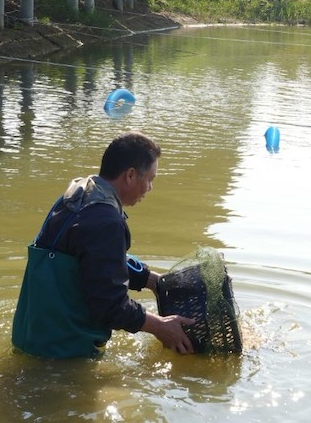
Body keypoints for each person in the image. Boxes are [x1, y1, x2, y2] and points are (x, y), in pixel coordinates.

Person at [11, 131, 195, 358]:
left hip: (30, 337)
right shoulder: (105, 220)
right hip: (63, 353)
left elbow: (92, 261)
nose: (150, 188)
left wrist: (151, 280)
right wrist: (160, 326)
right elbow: (109, 305)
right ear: (130, 175)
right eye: (150, 179)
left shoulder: (80, 195)